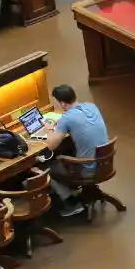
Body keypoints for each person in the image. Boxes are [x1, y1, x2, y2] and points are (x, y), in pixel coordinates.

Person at [40, 85, 109, 217]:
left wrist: (48, 130)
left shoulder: (67, 118)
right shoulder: (91, 106)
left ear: (62, 103)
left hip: (87, 169)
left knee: (45, 167)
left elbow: (51, 145)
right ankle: (75, 193)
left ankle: (70, 202)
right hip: (104, 162)